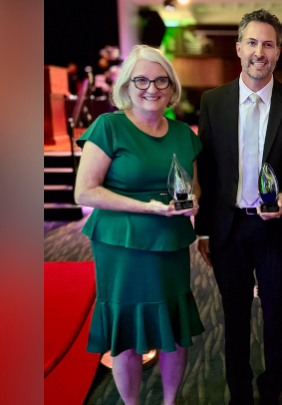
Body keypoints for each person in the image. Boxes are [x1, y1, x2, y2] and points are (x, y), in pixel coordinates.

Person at [195, 9, 282, 405]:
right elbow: (208, 170)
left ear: (278, 52)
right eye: (252, 42)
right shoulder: (213, 102)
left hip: (278, 231)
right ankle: (239, 395)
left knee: (275, 319)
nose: (259, 52)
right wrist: (203, 230)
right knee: (234, 319)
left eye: (268, 44)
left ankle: (271, 391)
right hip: (229, 229)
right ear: (238, 48)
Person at [74, 44, 204, 405]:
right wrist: (145, 207)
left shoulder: (183, 134)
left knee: (175, 331)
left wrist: (192, 202)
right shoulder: (109, 126)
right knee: (126, 334)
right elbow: (84, 193)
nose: (152, 88)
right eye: (141, 80)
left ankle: (169, 401)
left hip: (170, 243)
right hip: (121, 246)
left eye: (161, 80)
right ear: (126, 86)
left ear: (172, 86)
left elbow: (193, 188)